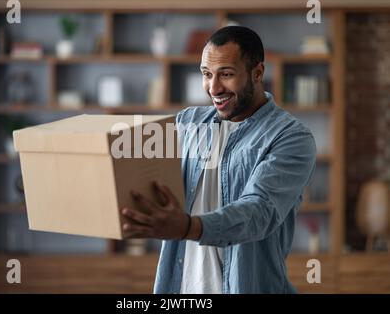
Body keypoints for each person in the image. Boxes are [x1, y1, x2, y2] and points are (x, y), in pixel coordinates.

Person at [121, 26, 316, 294]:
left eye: (226, 74)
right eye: (206, 74)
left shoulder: (290, 137)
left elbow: (259, 212)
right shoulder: (187, 123)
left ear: (257, 73)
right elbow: (148, 178)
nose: (213, 88)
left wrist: (189, 227)